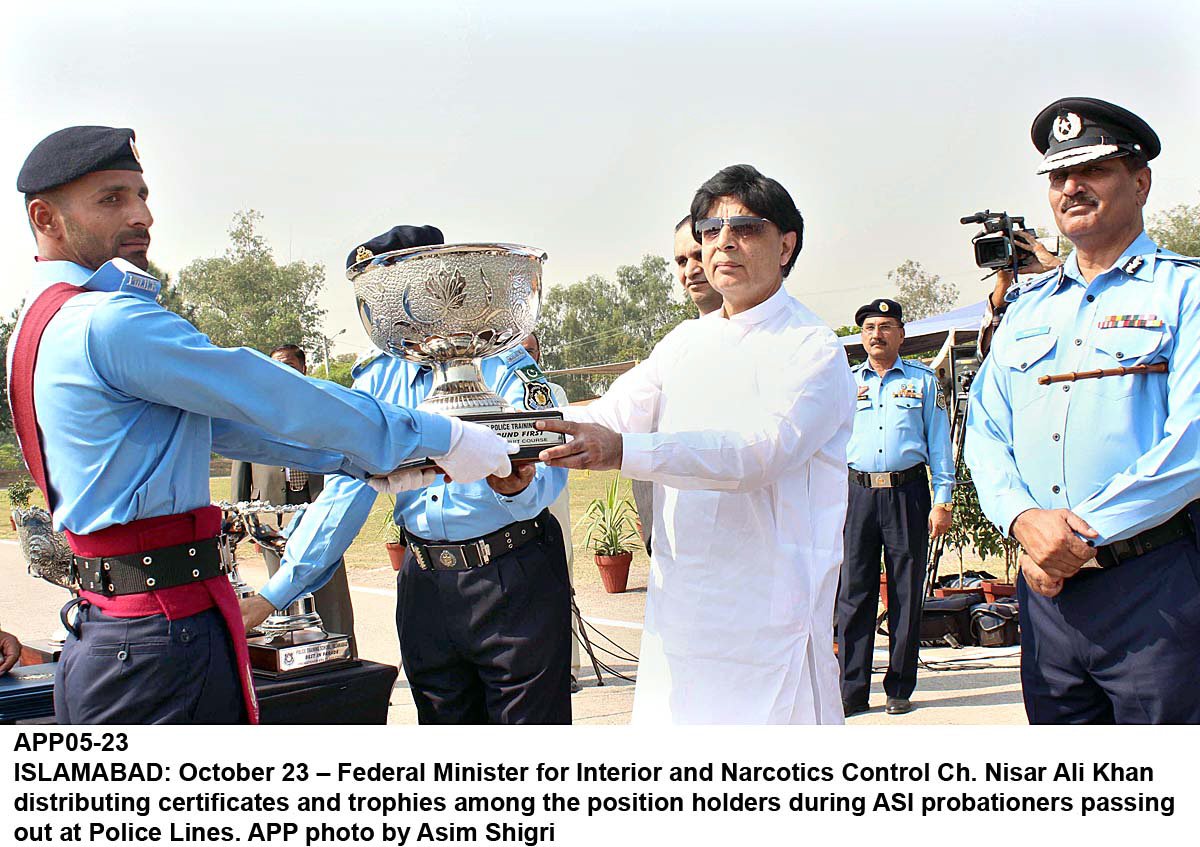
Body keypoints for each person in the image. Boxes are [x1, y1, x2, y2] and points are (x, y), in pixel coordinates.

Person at [8, 126, 515, 725]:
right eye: (111, 198)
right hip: (157, 635)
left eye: (142, 195)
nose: (142, 215)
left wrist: (372, 463)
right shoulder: (109, 322)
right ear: (47, 218)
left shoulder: (42, 324)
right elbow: (270, 393)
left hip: (121, 625)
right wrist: (442, 437)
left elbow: (217, 429)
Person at [538, 164, 856, 724]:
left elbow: (758, 453)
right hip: (681, 613)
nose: (723, 243)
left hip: (768, 620)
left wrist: (625, 451)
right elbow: (606, 414)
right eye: (711, 231)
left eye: (746, 228)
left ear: (786, 245)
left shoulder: (813, 348)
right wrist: (492, 433)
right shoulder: (684, 342)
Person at [246, 225, 573, 724]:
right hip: (425, 585)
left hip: (511, 575)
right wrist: (275, 594)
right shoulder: (375, 379)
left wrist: (516, 483)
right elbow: (345, 493)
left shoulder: (505, 365)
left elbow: (548, 456)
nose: (392, 311)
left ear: (441, 287)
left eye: (401, 292)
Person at [966, 98, 1200, 724]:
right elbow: (985, 428)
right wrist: (1022, 521)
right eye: (1057, 175)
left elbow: (1193, 442)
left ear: (1140, 181)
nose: (1071, 186)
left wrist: (1073, 534)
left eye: (1093, 169)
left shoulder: (1186, 292)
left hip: (1155, 587)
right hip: (1046, 596)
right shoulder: (1026, 307)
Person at [837, 298, 954, 717]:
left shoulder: (922, 382)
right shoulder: (846, 384)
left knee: (905, 592)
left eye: (886, 326)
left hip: (908, 494)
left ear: (901, 334)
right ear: (861, 337)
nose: (877, 334)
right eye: (869, 327)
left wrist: (943, 501)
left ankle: (899, 687)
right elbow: (832, 447)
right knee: (854, 593)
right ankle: (851, 690)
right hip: (858, 495)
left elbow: (940, 444)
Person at [230, 343, 356, 642]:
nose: (281, 369)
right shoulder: (253, 407)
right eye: (275, 364)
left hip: (317, 503)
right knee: (281, 587)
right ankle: (293, 645)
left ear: (303, 367)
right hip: (272, 514)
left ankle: (340, 647)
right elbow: (241, 464)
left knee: (330, 584)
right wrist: (245, 522)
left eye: (288, 363)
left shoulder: (324, 404)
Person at [519, 331, 581, 692]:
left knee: (562, 578)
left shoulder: (554, 394)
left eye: (531, 352)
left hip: (552, 495)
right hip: (513, 498)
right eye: (519, 352)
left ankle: (567, 667)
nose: (526, 359)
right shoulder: (497, 390)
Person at [978, 232, 1063, 358]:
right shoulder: (1017, 301)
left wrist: (1056, 267)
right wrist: (1003, 280)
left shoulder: (1055, 293)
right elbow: (986, 354)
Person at [673, 215, 723, 316]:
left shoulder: (761, 329)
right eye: (682, 261)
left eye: (700, 256)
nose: (689, 272)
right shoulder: (684, 332)